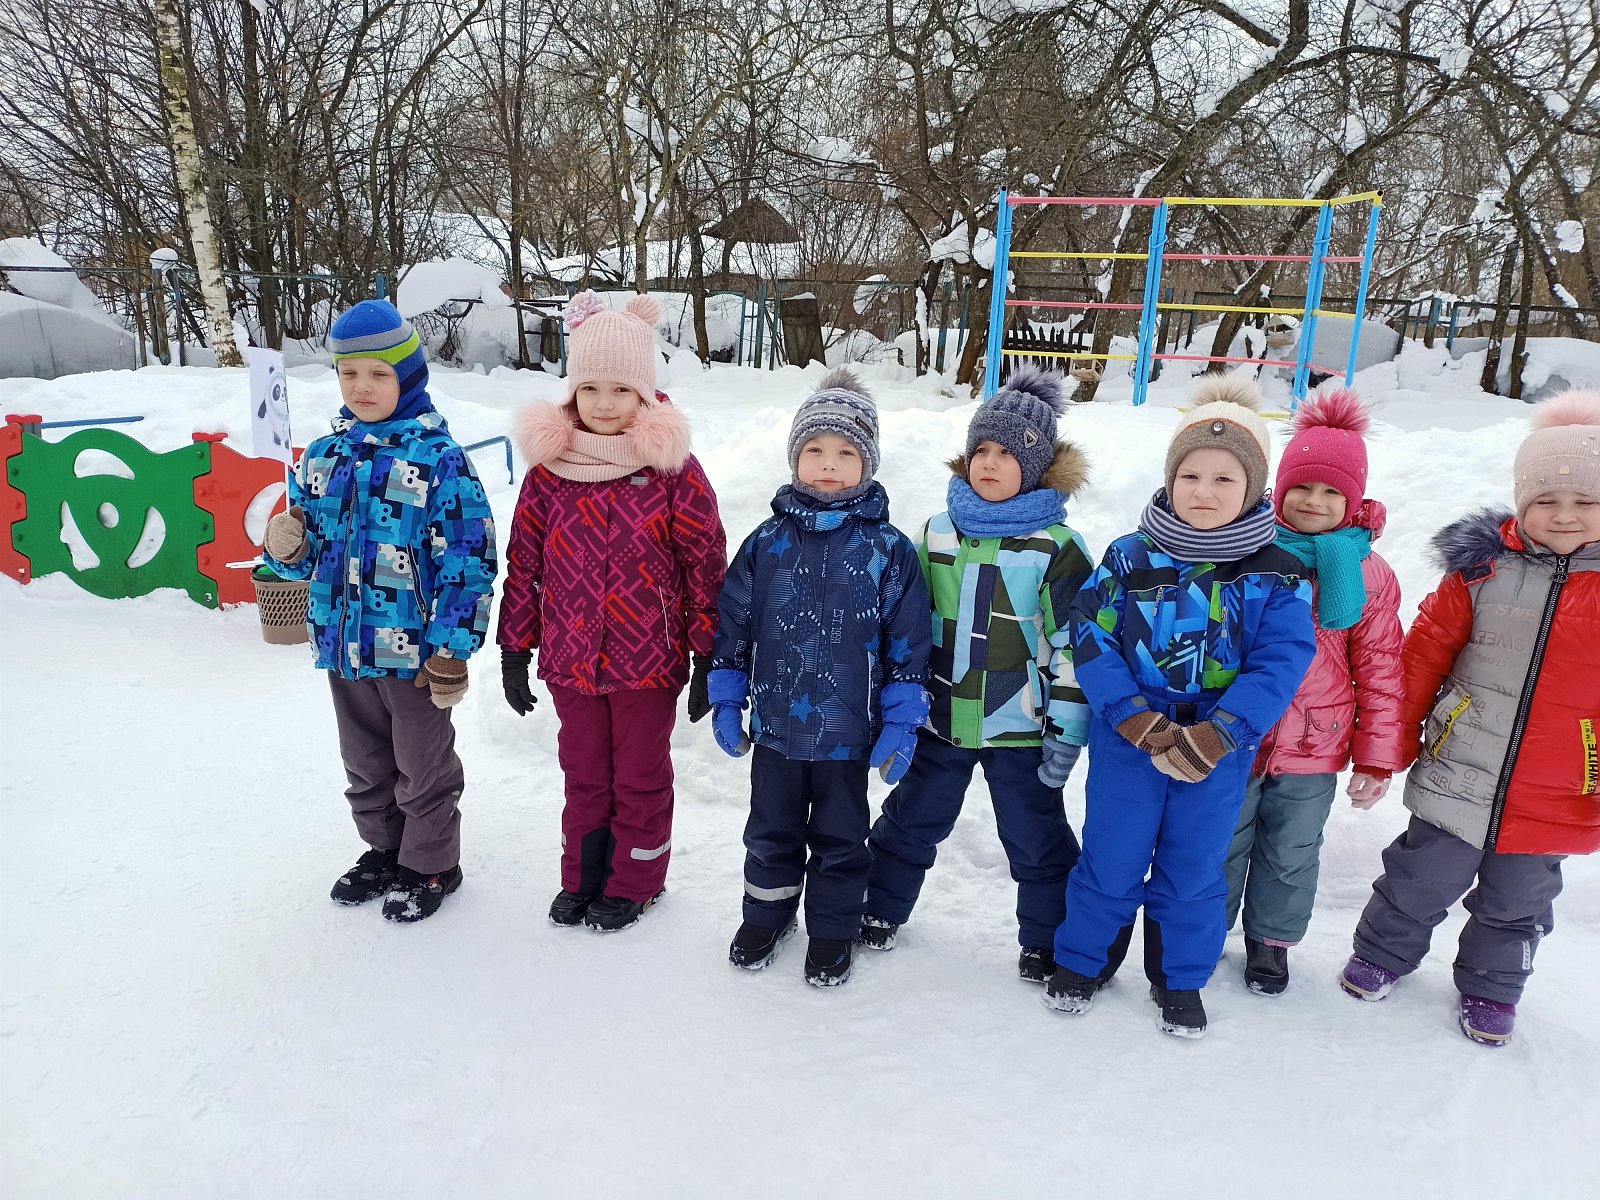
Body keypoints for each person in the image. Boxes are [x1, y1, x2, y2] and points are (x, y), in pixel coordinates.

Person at [1044, 374, 1315, 1038]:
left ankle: (1180, 977)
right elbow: (1091, 634)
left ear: (1254, 487)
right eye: (1191, 475)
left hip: (1216, 747)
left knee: (1193, 866)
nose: (1204, 491)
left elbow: (1281, 659)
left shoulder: (1277, 570)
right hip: (1131, 738)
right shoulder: (1130, 556)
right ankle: (1083, 960)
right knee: (1111, 854)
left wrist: (1221, 733)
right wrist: (1132, 717)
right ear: (1170, 479)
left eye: (1225, 479)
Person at [1340, 390, 1600, 1047]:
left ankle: (1492, 986)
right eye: (1546, 499)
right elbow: (1421, 660)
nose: (1564, 515)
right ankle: (1381, 954)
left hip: (1557, 788)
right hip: (1460, 766)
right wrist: (1387, 749)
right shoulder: (1480, 575)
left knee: (1519, 902)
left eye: (1585, 501)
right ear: (1521, 501)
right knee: (1417, 876)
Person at [497, 290, 726, 932]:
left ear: (644, 394)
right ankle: (583, 877)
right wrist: (514, 648)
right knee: (584, 774)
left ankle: (636, 882)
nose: (603, 403)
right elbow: (525, 566)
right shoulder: (549, 472)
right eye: (590, 388)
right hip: (570, 660)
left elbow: (705, 565)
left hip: (647, 662)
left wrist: (709, 654)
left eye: (621, 389)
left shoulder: (672, 472)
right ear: (572, 392)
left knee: (640, 777)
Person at [263, 299, 497, 923]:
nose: (361, 387)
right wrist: (287, 548)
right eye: (349, 373)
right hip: (345, 645)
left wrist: (452, 647)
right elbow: (306, 555)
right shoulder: (322, 457)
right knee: (365, 764)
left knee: (423, 765)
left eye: (378, 374)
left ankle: (431, 862)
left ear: (409, 377)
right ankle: (386, 850)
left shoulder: (438, 459)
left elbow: (469, 561)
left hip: (412, 651)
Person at [859, 367, 1094, 982]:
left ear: (1037, 467)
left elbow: (1076, 645)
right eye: (981, 450)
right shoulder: (937, 533)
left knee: (1036, 836)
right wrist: (891, 703)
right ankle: (878, 907)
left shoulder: (1056, 547)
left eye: (1007, 454)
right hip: (939, 718)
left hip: (1021, 727)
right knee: (910, 818)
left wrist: (1067, 729)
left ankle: (1046, 940)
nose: (989, 463)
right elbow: (902, 622)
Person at [710, 368, 931, 987]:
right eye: (814, 449)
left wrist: (903, 720)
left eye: (845, 452)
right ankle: (767, 916)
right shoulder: (765, 543)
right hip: (776, 729)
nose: (828, 464)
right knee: (770, 832)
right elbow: (734, 623)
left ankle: (832, 930)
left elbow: (909, 640)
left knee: (841, 838)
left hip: (847, 734)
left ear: (868, 464)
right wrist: (726, 695)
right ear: (794, 458)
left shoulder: (888, 549)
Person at [1223, 388, 1405, 995]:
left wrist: (1376, 756)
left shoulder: (1368, 573)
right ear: (1278, 489)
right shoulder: (1244, 547)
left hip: (1315, 742)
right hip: (1237, 729)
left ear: (1354, 500)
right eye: (1301, 486)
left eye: (1332, 492)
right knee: (1220, 838)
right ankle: (1202, 927)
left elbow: (1381, 668)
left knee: (1292, 850)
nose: (1313, 502)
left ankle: (1270, 942)